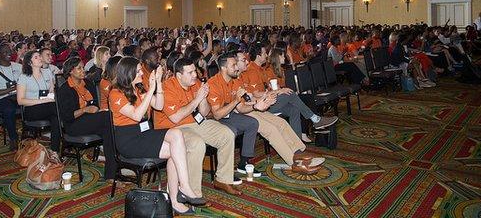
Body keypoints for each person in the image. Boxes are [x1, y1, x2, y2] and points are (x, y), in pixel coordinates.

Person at [110, 57, 205, 214]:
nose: (142, 73)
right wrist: (150, 89)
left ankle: (177, 197)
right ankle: (183, 189)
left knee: (176, 141)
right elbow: (136, 115)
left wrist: (159, 84)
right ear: (128, 73)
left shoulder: (139, 89)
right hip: (129, 140)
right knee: (176, 141)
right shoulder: (116, 93)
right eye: (139, 70)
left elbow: (159, 105)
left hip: (144, 134)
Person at [209, 52, 324, 174]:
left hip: (246, 109)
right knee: (271, 129)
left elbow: (243, 105)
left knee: (280, 123)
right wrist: (254, 104)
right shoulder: (214, 83)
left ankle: (299, 151)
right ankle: (293, 162)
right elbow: (230, 110)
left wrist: (260, 103)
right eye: (234, 65)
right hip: (235, 115)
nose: (237, 67)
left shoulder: (235, 80)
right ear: (223, 68)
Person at [155, 57, 241, 197]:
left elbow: (204, 112)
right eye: (190, 72)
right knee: (197, 144)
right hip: (173, 129)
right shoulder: (167, 87)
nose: (195, 75)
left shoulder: (194, 84)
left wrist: (203, 97)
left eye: (195, 70)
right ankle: (192, 192)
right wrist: (197, 99)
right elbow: (175, 117)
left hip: (195, 122)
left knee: (227, 133)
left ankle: (223, 180)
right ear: (179, 75)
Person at [241, 44, 337, 143]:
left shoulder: (261, 69)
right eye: (264, 53)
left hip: (269, 100)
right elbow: (256, 94)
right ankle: (315, 119)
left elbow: (267, 87)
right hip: (262, 105)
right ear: (258, 56)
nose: (266, 55)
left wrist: (274, 89)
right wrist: (278, 91)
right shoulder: (252, 70)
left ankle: (297, 143)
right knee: (290, 94)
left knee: (294, 109)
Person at [56, 57, 117, 182]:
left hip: (91, 120)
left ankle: (112, 173)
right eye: (79, 68)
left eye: (83, 67)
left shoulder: (88, 84)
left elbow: (95, 105)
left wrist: (94, 109)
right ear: (71, 71)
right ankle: (116, 168)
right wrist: (84, 110)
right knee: (108, 118)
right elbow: (67, 117)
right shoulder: (65, 89)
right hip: (73, 125)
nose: (83, 70)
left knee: (109, 130)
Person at [16, 50, 60, 152]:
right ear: (29, 62)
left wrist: (50, 97)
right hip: (31, 109)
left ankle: (54, 150)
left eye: (40, 56)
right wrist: (43, 101)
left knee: (56, 118)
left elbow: (51, 91)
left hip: (48, 107)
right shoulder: (24, 77)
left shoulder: (47, 72)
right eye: (36, 57)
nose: (40, 58)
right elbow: (20, 101)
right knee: (57, 108)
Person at [0, 45, 21, 150]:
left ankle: (30, 133)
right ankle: (13, 138)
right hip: (2, 98)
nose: (8, 53)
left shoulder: (18, 66)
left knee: (33, 104)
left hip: (19, 95)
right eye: (5, 52)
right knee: (9, 110)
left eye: (9, 51)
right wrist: (12, 89)